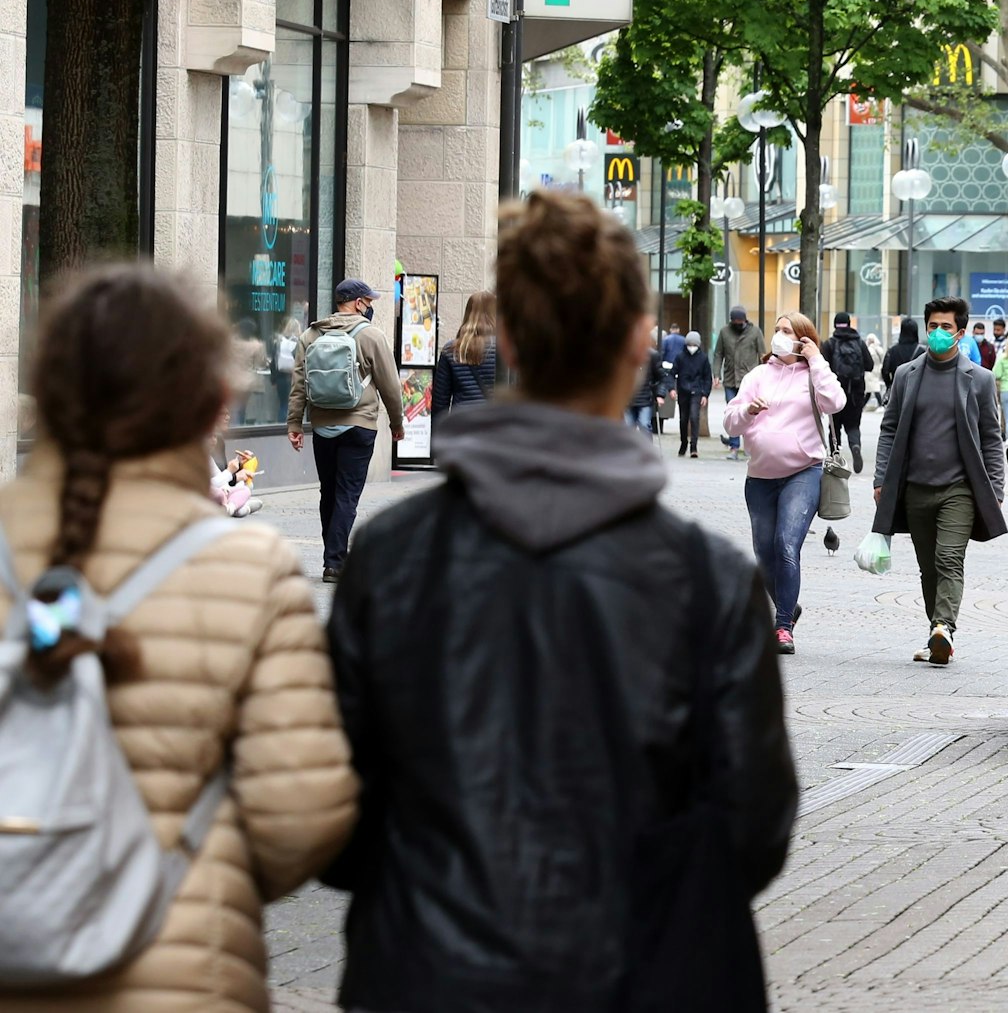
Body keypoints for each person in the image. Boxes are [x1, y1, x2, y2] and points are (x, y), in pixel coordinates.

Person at [322, 189, 797, 1013]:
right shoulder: (708, 583)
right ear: (638, 344)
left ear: (507, 339)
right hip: (647, 976)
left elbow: (336, 813)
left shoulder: (392, 561)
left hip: (428, 974)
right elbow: (753, 826)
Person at [6, 266, 355, 1010]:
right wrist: (204, 863)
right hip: (181, 976)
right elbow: (299, 819)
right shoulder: (249, 569)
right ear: (208, 398)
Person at [872, 296, 1008, 667]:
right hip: (915, 488)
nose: (937, 333)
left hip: (959, 489)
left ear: (960, 332)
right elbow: (889, 429)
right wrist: (881, 476)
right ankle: (936, 633)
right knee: (928, 567)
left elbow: (991, 438)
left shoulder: (978, 380)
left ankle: (945, 627)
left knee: (949, 558)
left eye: (946, 327)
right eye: (932, 326)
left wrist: (995, 489)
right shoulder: (906, 374)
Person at [724, 313, 845, 654]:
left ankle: (783, 627)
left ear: (803, 339)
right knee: (763, 553)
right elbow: (730, 424)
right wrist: (747, 410)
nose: (777, 336)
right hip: (760, 477)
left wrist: (816, 359)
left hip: (803, 472)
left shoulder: (813, 375)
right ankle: (787, 607)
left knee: (785, 544)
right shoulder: (758, 375)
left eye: (786, 331)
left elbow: (836, 402)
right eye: (776, 330)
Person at [286, 277, 404, 583]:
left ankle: (334, 556)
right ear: (358, 303)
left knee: (330, 491)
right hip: (359, 425)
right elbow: (390, 385)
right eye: (369, 302)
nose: (370, 307)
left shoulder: (311, 335)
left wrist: (294, 424)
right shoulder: (371, 336)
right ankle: (335, 562)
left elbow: (298, 385)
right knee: (348, 494)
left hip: (323, 426)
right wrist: (396, 422)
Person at [434, 289, 501, 424]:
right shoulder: (504, 350)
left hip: (462, 426)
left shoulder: (450, 350)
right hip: (495, 426)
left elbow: (440, 403)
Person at [823, 311, 874, 472]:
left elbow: (822, 368)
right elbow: (870, 365)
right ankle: (855, 446)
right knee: (853, 426)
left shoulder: (829, 344)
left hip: (835, 393)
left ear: (834, 325)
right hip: (855, 394)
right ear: (850, 324)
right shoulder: (859, 343)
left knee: (834, 427)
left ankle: (835, 457)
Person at [718, 305, 767, 461]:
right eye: (735, 321)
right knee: (733, 412)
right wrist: (716, 373)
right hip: (730, 378)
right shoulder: (724, 332)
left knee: (750, 413)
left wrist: (765, 374)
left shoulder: (755, 332)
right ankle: (734, 447)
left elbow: (763, 354)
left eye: (740, 321)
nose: (738, 324)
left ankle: (749, 444)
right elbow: (718, 354)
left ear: (745, 319)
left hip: (749, 379)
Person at [672, 330, 713, 458]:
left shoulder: (703, 358)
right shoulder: (680, 357)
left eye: (694, 345)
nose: (692, 347)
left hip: (697, 391)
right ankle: (683, 442)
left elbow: (707, 377)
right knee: (683, 419)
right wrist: (671, 389)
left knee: (694, 417)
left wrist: (705, 394)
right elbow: (673, 372)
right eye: (690, 344)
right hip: (683, 391)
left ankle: (693, 446)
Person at [882, 317, 921, 393]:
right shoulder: (922, 351)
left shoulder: (892, 351)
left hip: (897, 390)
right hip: (917, 391)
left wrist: (890, 385)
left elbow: (885, 371)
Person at [864, 330, 887, 408]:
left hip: (871, 371)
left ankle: (880, 404)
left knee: (873, 388)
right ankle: (879, 404)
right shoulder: (879, 348)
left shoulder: (869, 349)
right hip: (877, 370)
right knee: (871, 389)